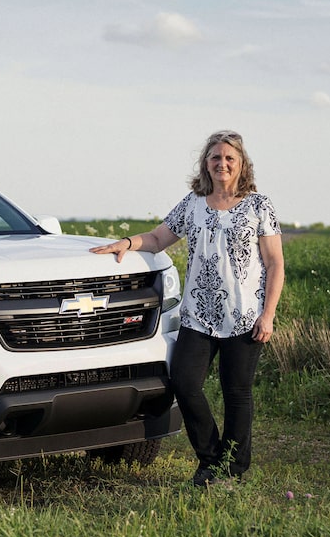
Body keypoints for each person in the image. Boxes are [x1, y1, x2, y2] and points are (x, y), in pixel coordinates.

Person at [90, 129, 284, 486]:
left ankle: (233, 469)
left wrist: (268, 314)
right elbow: (159, 238)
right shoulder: (193, 202)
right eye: (215, 157)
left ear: (242, 164)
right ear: (205, 163)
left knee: (237, 392)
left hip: (244, 317)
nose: (221, 163)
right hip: (198, 316)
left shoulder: (259, 205)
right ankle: (210, 460)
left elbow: (275, 263)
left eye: (229, 158)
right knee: (184, 383)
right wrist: (127, 243)